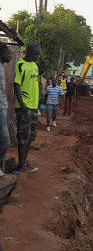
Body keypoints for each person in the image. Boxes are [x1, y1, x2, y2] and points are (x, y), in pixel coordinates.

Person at [14, 43, 42, 173]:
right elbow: (17, 85)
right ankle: (21, 164)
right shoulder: (20, 65)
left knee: (31, 136)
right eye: (36, 54)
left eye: (38, 55)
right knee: (23, 136)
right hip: (24, 107)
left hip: (34, 107)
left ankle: (24, 162)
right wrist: (22, 105)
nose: (37, 57)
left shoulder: (35, 66)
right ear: (29, 52)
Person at [0, 43, 12, 176]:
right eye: (8, 52)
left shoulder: (2, 67)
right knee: (4, 138)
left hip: (3, 107)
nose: (10, 55)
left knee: (3, 137)